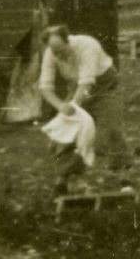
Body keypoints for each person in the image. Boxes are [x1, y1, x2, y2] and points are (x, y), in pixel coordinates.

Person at [39, 24, 122, 192]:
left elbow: (87, 84)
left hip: (103, 83)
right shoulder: (50, 52)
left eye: (62, 50)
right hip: (76, 85)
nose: (59, 55)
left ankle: (123, 174)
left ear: (68, 40)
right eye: (55, 52)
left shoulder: (87, 45)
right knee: (66, 129)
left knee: (108, 127)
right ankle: (63, 178)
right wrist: (61, 106)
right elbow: (45, 87)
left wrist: (73, 106)